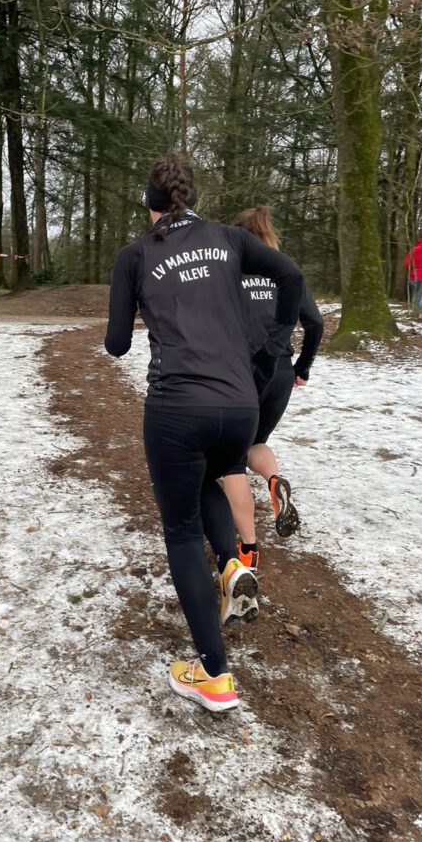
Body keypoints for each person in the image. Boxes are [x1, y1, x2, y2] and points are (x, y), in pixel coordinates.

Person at [105, 153, 303, 712]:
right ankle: (233, 563)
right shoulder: (229, 239)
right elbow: (291, 275)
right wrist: (273, 346)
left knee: (180, 532)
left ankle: (214, 675)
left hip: (176, 408)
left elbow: (116, 344)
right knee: (210, 479)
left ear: (149, 203)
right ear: (191, 198)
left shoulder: (135, 255)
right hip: (240, 406)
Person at [219, 206, 323, 571]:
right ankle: (274, 480)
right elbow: (315, 323)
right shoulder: (285, 272)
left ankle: (247, 549)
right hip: (279, 372)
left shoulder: (228, 272)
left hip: (241, 373)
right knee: (256, 441)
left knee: (231, 461)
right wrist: (301, 367)